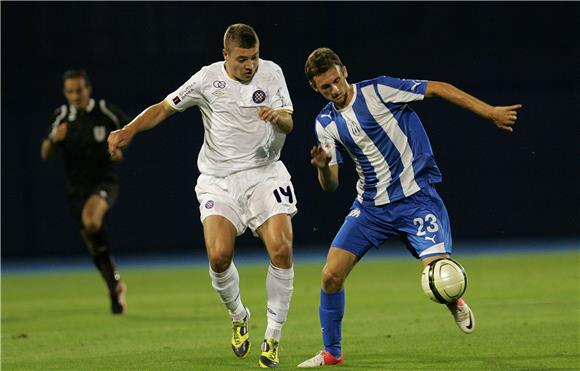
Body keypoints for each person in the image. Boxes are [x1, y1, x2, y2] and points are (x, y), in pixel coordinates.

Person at [298, 47, 522, 367]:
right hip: (371, 208)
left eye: (336, 81)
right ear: (315, 88)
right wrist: (322, 167)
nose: (334, 90)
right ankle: (332, 353)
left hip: (415, 201)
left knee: (439, 275)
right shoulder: (325, 124)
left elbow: (439, 88)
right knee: (331, 275)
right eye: (325, 87)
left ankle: (453, 299)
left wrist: (489, 112)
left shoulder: (379, 89)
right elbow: (331, 184)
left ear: (345, 71)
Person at [107, 24, 297, 368]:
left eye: (254, 57)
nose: (250, 65)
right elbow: (165, 107)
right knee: (219, 256)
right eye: (242, 59)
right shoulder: (207, 80)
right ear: (226, 55)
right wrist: (129, 129)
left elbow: (288, 121)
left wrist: (278, 118)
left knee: (282, 248)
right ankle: (239, 316)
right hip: (219, 180)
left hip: (264, 174)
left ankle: (273, 336)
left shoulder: (272, 73)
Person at [41, 69, 129, 315]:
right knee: (93, 243)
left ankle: (114, 284)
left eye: (79, 90)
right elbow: (45, 153)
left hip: (104, 182)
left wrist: (119, 147)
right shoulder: (61, 117)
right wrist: (53, 140)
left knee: (91, 220)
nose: (75, 95)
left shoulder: (104, 111)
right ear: (65, 94)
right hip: (76, 189)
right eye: (70, 91)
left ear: (88, 89)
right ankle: (114, 285)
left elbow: (127, 130)